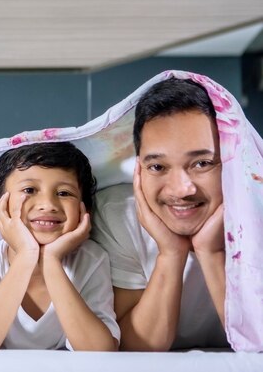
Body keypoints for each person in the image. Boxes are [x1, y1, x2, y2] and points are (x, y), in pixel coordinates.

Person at [92, 77, 228, 351]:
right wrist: (171, 254)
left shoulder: (255, 209)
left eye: (202, 163)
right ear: (139, 168)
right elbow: (139, 347)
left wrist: (211, 253)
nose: (182, 190)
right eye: (157, 167)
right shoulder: (116, 215)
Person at [0, 142, 120, 350]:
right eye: (29, 189)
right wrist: (26, 255)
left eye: (64, 193)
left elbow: (100, 351)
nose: (48, 205)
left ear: (83, 211)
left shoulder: (92, 259)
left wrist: (52, 261)